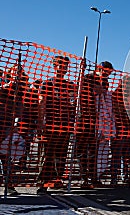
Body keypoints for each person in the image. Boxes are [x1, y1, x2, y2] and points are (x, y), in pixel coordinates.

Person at [37, 56, 76, 194]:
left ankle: (57, 179)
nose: (64, 68)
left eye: (66, 66)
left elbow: (73, 103)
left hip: (65, 125)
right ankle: (43, 183)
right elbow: (42, 103)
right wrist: (41, 122)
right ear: (55, 66)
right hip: (50, 125)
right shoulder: (47, 84)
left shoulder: (70, 85)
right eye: (61, 65)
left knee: (61, 154)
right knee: (47, 154)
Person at [77, 60, 114, 188]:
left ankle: (93, 176)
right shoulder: (88, 78)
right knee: (82, 149)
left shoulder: (105, 81)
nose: (107, 75)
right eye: (105, 72)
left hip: (97, 120)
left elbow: (103, 92)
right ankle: (84, 177)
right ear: (99, 69)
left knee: (94, 149)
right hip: (84, 118)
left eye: (109, 73)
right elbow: (83, 90)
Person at [0, 64, 29, 196]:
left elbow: (19, 108)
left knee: (6, 156)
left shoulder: (20, 90)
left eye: (20, 72)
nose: (17, 74)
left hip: (7, 125)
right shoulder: (3, 84)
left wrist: (16, 124)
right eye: (15, 72)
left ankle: (9, 184)